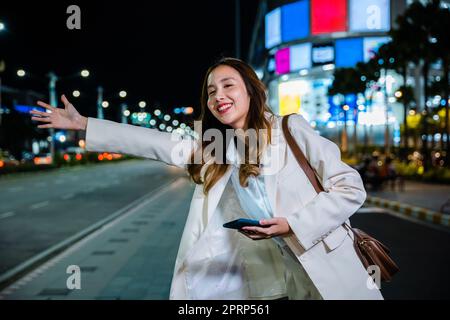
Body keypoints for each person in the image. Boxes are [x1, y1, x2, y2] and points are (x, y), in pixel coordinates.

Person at [30, 57, 382, 300]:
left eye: (228, 85)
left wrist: (293, 224)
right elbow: (156, 143)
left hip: (327, 266)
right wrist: (85, 125)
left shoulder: (290, 128)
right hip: (278, 281)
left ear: (251, 89)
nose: (218, 96)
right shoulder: (217, 149)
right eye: (211, 91)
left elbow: (350, 187)